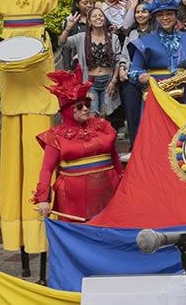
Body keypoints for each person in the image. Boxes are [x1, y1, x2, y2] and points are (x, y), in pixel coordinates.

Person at [0, 0, 119, 257]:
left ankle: (38, 228)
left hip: (36, 50)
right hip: (9, 52)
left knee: (41, 122)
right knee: (12, 125)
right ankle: (14, 226)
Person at [33, 65, 124, 223]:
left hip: (110, 194)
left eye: (87, 104)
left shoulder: (103, 127)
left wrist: (124, 183)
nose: (86, 109)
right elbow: (47, 169)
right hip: (73, 202)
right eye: (79, 106)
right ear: (68, 111)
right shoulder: (56, 136)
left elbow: (114, 156)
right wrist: (43, 199)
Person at [59, 7, 122, 117]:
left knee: (104, 114)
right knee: (92, 114)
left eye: (101, 15)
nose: (98, 17)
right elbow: (62, 43)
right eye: (94, 16)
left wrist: (114, 81)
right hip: (90, 82)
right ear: (89, 21)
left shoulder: (113, 38)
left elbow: (118, 60)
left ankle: (104, 134)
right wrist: (68, 28)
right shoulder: (82, 37)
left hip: (108, 81)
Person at [119, 3, 154, 149]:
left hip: (150, 78)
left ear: (150, 14)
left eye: (144, 12)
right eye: (137, 12)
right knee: (131, 110)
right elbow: (124, 55)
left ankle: (150, 146)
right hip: (131, 77)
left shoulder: (156, 33)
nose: (140, 15)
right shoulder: (131, 33)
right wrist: (121, 68)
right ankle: (135, 146)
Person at [61, 0, 93, 71]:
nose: (89, 5)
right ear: (77, 4)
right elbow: (66, 48)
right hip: (79, 66)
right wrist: (67, 69)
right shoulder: (72, 22)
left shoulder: (99, 19)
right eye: (85, 3)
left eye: (91, 3)